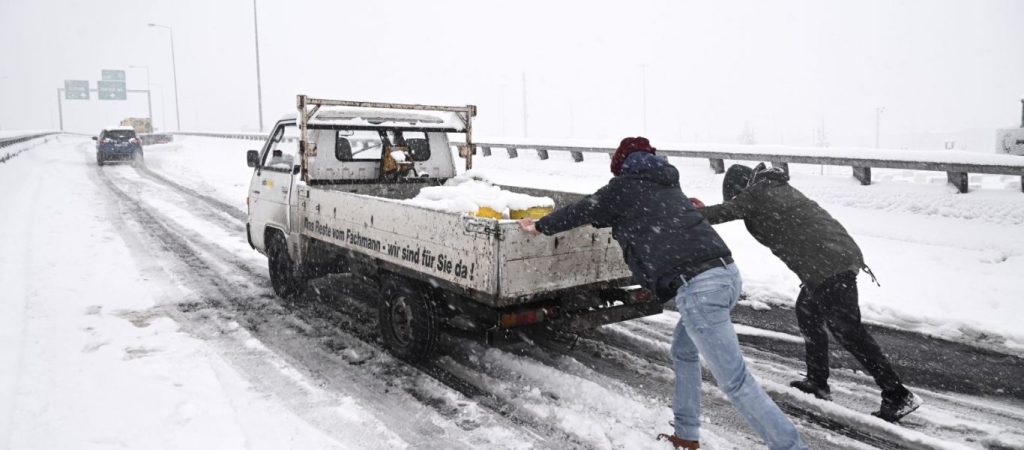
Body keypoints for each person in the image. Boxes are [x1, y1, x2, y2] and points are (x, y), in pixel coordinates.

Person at [519, 138, 807, 450]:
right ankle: (686, 435)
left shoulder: (624, 188)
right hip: (725, 274)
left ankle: (791, 447)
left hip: (699, 287)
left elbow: (583, 209)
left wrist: (541, 226)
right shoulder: (668, 185)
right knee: (683, 352)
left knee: (735, 381)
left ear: (622, 165)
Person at [695, 163, 922, 423]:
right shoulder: (773, 189)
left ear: (740, 187)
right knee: (808, 315)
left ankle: (896, 393)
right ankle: (817, 382)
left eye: (736, 194)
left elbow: (724, 212)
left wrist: (683, 213)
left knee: (848, 331)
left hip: (829, 264)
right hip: (828, 262)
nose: (737, 199)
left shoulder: (760, 192)